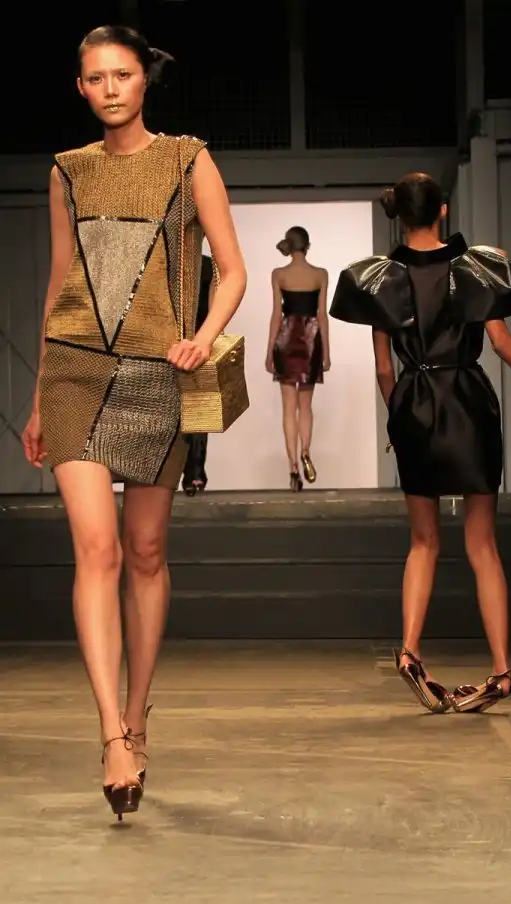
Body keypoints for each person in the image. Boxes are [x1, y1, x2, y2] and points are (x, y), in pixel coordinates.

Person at [20, 25, 246, 818]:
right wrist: (39, 396)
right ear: (80, 88)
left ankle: (138, 712)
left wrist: (204, 335)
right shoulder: (67, 171)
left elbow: (233, 269)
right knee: (99, 548)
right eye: (96, 78)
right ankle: (112, 734)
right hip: (75, 369)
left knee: (146, 552)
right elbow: (60, 280)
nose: (110, 89)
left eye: (122, 74)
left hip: (158, 373)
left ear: (145, 80)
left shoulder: (188, 159)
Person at [330, 172, 511, 714]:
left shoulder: (378, 279)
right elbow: (502, 342)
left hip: (415, 403)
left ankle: (410, 650)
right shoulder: (476, 268)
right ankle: (501, 671)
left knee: (423, 542)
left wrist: (398, 418)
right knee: (482, 544)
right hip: (469, 401)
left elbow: (383, 369)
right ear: (442, 209)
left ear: (399, 214)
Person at [266, 227, 330, 491]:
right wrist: (326, 352)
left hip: (286, 337)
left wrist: (270, 351)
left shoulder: (279, 274)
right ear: (308, 245)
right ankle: (305, 451)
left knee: (288, 407)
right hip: (310, 338)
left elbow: (276, 315)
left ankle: (293, 466)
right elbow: (322, 316)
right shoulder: (320, 274)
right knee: (306, 405)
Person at [182, 254, 216, 495]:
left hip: (188, 342)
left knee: (196, 411)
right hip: (197, 342)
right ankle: (194, 474)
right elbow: (214, 307)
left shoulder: (205, 265)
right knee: (196, 411)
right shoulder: (207, 265)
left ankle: (193, 472)